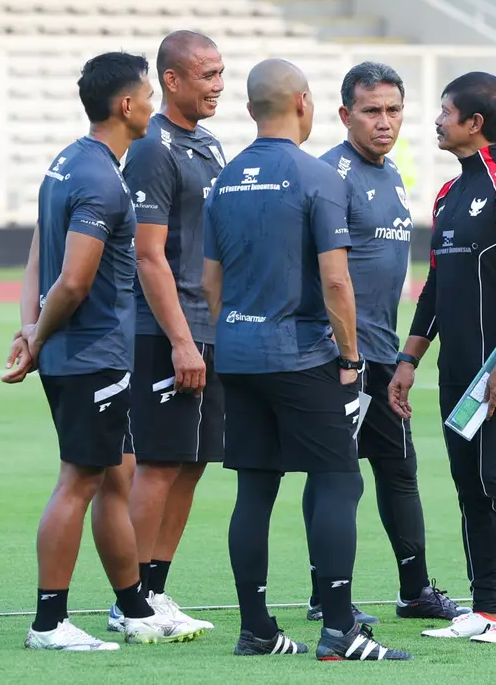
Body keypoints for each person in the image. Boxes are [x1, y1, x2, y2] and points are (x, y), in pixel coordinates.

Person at [201, 58, 411, 662]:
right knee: (340, 479)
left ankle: (256, 629)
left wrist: (235, 332)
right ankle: (340, 629)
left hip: (238, 354)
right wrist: (349, 358)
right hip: (301, 354)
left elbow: (210, 281)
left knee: (254, 491)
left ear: (249, 109)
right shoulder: (318, 177)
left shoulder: (228, 177)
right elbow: (336, 281)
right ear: (304, 103)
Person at [0, 51, 206, 651]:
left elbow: (40, 249)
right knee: (80, 480)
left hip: (75, 348)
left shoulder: (67, 163)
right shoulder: (101, 181)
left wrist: (29, 325)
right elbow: (73, 279)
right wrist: (36, 336)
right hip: (93, 355)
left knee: (117, 477)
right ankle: (49, 622)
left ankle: (134, 607)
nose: (151, 105)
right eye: (147, 95)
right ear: (126, 105)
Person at [389, 71, 496, 644]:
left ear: (473, 123)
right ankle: (488, 606)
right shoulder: (449, 193)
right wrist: (409, 359)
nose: (436, 120)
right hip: (457, 364)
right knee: (468, 483)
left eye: (444, 111)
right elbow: (437, 287)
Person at [305, 61, 469, 625]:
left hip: (380, 352)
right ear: (345, 114)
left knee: (396, 468)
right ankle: (328, 594)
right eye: (371, 111)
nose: (385, 122)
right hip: (338, 354)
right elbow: (322, 272)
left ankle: (413, 590)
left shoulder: (392, 173)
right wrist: (342, 348)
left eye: (394, 111)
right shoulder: (329, 175)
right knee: (337, 473)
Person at [104, 30, 225, 636]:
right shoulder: (154, 148)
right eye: (206, 75)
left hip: (208, 328)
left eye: (221, 74)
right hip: (162, 330)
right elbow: (149, 254)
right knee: (156, 463)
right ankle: (126, 601)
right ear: (171, 81)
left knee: (191, 463)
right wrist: (179, 339)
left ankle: (156, 589)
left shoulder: (209, 144)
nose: (218, 86)